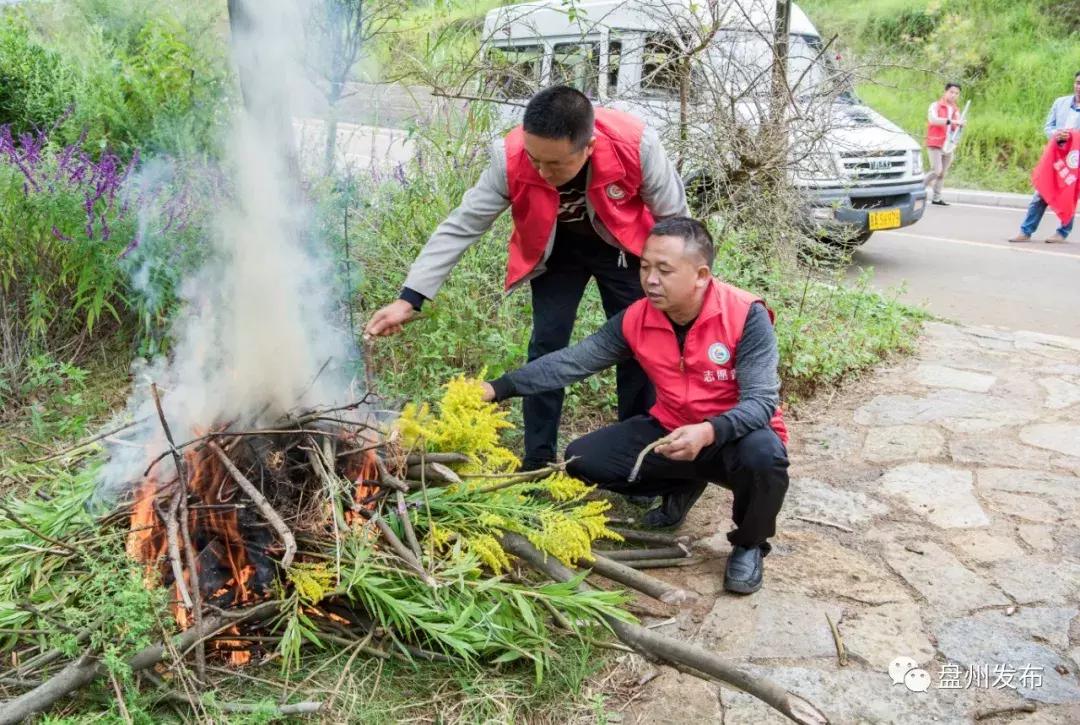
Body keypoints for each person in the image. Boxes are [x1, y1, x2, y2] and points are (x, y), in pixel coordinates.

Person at [364, 86, 688, 472]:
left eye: (555, 165)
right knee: (548, 344)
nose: (541, 172)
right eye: (535, 160)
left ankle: (639, 460)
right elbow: (463, 225)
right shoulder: (511, 156)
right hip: (556, 249)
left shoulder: (636, 145)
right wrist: (409, 298)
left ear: (589, 147)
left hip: (623, 247)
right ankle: (537, 459)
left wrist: (684, 293)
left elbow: (676, 224)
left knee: (640, 344)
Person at [478, 217, 789, 595]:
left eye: (664, 270)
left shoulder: (745, 315)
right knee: (582, 459)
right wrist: (499, 388)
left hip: (735, 435)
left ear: (701, 274)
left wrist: (709, 432)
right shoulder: (636, 318)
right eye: (644, 266)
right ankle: (684, 481)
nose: (651, 279)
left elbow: (760, 403)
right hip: (671, 428)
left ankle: (749, 543)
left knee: (765, 456)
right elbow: (572, 362)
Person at [1010, 71, 1080, 244]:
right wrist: (1057, 134)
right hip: (1055, 157)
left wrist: (1072, 137)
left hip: (1075, 160)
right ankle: (1026, 231)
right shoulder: (1060, 102)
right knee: (1041, 192)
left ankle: (1062, 232)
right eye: (1078, 83)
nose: (1079, 87)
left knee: (1069, 195)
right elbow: (1048, 127)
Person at [924, 82, 964, 206]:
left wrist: (960, 126)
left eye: (956, 93)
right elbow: (933, 120)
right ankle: (917, 189)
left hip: (948, 145)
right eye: (951, 92)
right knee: (936, 171)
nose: (954, 95)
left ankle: (936, 198)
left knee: (942, 174)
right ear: (945, 92)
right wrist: (952, 121)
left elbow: (956, 129)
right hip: (935, 142)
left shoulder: (956, 110)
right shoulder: (935, 105)